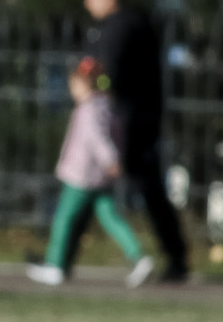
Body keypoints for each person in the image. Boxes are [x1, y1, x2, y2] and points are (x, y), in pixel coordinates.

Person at [83, 0, 187, 279]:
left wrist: (89, 81)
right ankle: (174, 255)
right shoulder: (136, 23)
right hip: (140, 118)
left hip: (127, 123)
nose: (87, 1)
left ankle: (162, 256)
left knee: (90, 185)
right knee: (143, 189)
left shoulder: (118, 28)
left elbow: (109, 76)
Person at [25, 52, 156, 288]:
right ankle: (138, 257)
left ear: (84, 84)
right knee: (112, 218)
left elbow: (97, 140)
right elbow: (116, 136)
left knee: (64, 218)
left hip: (81, 176)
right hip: (101, 178)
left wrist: (111, 159)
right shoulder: (108, 108)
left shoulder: (88, 111)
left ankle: (55, 265)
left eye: (73, 85)